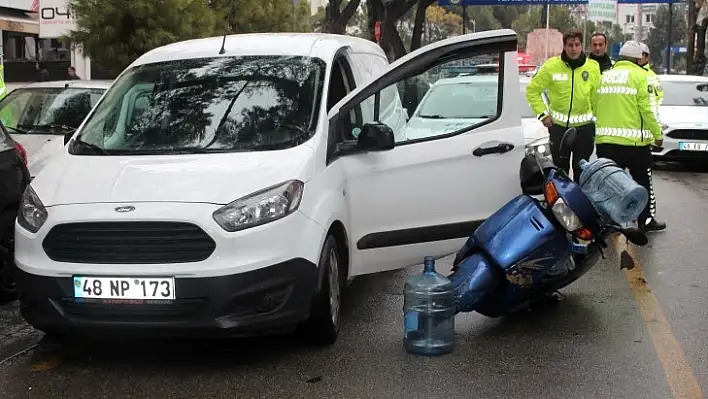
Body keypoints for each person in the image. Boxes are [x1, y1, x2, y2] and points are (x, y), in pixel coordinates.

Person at [592, 41, 666, 233]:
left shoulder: (604, 76)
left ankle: (609, 222)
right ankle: (645, 220)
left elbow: (594, 104)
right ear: (638, 58)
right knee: (642, 181)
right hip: (634, 143)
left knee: (609, 183)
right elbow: (647, 110)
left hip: (606, 142)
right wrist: (657, 134)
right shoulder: (642, 76)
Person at [525, 29, 602, 182]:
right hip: (559, 129)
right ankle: (562, 204)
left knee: (582, 171)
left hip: (584, 129)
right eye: (570, 45)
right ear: (564, 46)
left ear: (582, 46)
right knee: (560, 172)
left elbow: (597, 97)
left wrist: (598, 122)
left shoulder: (592, 67)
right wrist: (543, 115)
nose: (574, 49)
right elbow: (532, 90)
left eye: (577, 45)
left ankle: (580, 204)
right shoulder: (551, 66)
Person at [639, 43, 663, 118]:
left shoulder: (652, 76)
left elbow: (659, 98)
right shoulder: (626, 72)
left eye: (640, 55)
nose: (637, 58)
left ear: (647, 57)